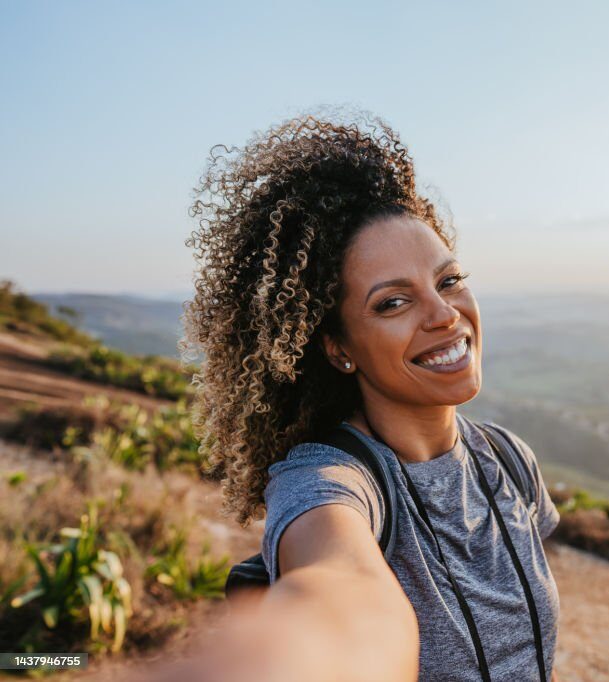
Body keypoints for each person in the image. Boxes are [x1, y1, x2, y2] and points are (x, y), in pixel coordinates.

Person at [177, 110, 561, 681]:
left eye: (449, 280)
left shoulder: (509, 458)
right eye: (392, 303)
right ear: (338, 349)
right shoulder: (324, 483)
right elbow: (338, 592)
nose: (444, 314)